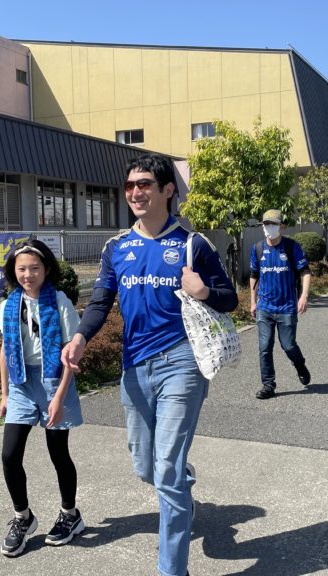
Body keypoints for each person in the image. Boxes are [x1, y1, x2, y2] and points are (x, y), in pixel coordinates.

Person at [62, 153, 238, 576]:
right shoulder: (116, 247)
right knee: (147, 467)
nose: (135, 193)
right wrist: (81, 337)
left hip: (182, 362)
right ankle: (181, 481)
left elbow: (229, 298)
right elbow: (101, 301)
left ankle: (171, 569)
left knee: (166, 470)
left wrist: (203, 291)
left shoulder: (193, 244)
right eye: (130, 186)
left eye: (144, 184)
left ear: (167, 190)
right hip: (135, 367)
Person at [0, 239, 85, 557]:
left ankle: (70, 515)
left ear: (46, 269)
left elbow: (71, 355)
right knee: (9, 455)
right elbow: (5, 350)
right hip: (20, 383)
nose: (28, 275)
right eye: (22, 269)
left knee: (58, 453)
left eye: (34, 268)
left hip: (54, 381)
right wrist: (5, 393)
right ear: (13, 271)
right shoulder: (10, 304)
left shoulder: (59, 301)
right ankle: (23, 517)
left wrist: (59, 397)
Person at [250, 208, 312, 399]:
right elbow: (254, 275)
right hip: (265, 307)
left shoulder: (292, 247)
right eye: (266, 224)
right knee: (264, 347)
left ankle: (299, 364)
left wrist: (303, 296)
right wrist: (252, 302)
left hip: (286, 307)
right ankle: (268, 385)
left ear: (282, 226)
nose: (269, 227)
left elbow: (305, 272)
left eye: (273, 224)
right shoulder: (258, 248)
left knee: (288, 345)